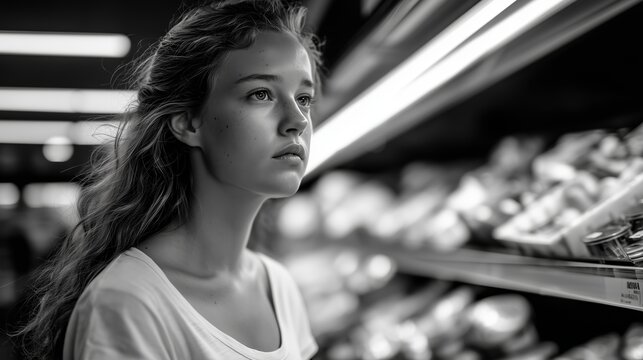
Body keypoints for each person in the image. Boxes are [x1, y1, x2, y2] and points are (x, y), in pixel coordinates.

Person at [14, 0, 323, 358]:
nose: (297, 120)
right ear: (188, 122)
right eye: (260, 93)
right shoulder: (129, 303)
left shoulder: (279, 287)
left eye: (304, 98)